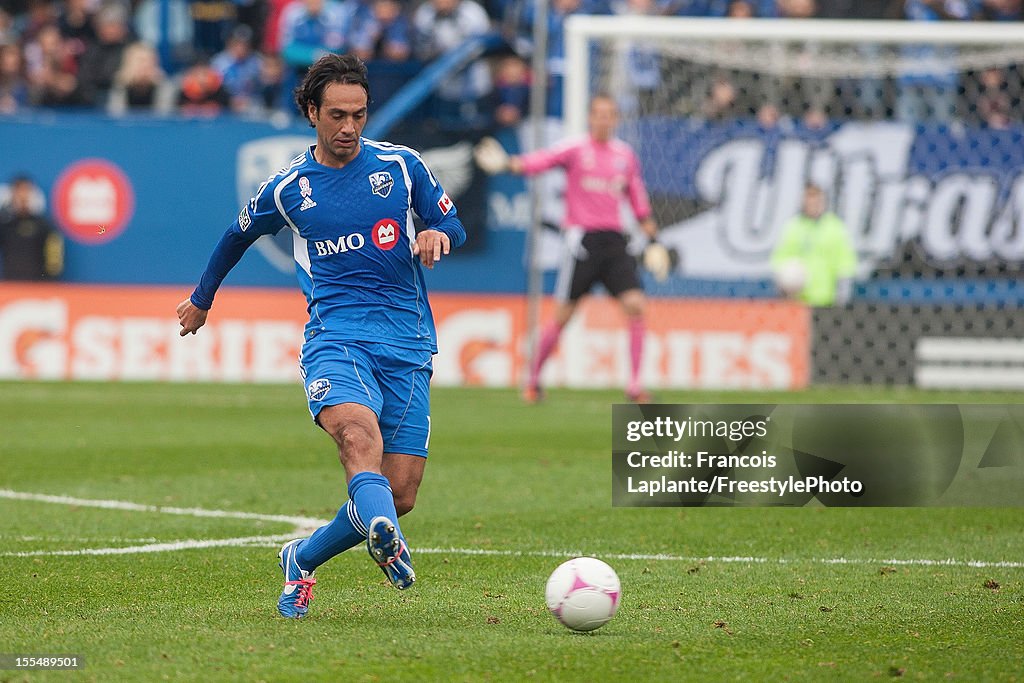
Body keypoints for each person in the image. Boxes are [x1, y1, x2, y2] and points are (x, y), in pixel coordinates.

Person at [176, 53, 466, 618]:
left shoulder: (403, 167)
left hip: (407, 343)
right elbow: (235, 236)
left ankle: (302, 558)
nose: (349, 127)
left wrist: (435, 232)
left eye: (358, 114)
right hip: (337, 338)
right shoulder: (289, 187)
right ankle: (382, 535)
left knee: (400, 492)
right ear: (311, 112)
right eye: (336, 114)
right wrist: (202, 298)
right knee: (358, 441)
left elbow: (451, 222)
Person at [474, 94, 659, 403]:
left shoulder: (624, 156)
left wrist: (652, 236)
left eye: (609, 114)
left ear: (616, 119)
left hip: (615, 241)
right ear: (590, 118)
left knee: (636, 306)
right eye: (599, 114)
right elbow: (542, 161)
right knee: (563, 315)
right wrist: (510, 164)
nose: (604, 119)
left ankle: (635, 386)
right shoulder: (575, 149)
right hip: (582, 243)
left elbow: (637, 199)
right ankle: (532, 380)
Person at [771, 183, 856, 307]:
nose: (813, 206)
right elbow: (780, 260)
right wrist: (784, 284)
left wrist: (842, 293)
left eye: (816, 202)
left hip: (826, 300)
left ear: (823, 203)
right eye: (809, 202)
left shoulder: (835, 228)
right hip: (798, 301)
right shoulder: (793, 227)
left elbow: (845, 263)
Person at [0, 174, 63, 281]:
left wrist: (50, 283)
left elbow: (55, 260)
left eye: (26, 190)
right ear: (12, 194)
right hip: (10, 287)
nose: (23, 196)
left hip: (38, 288)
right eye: (19, 191)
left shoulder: (44, 226)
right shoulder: (5, 224)